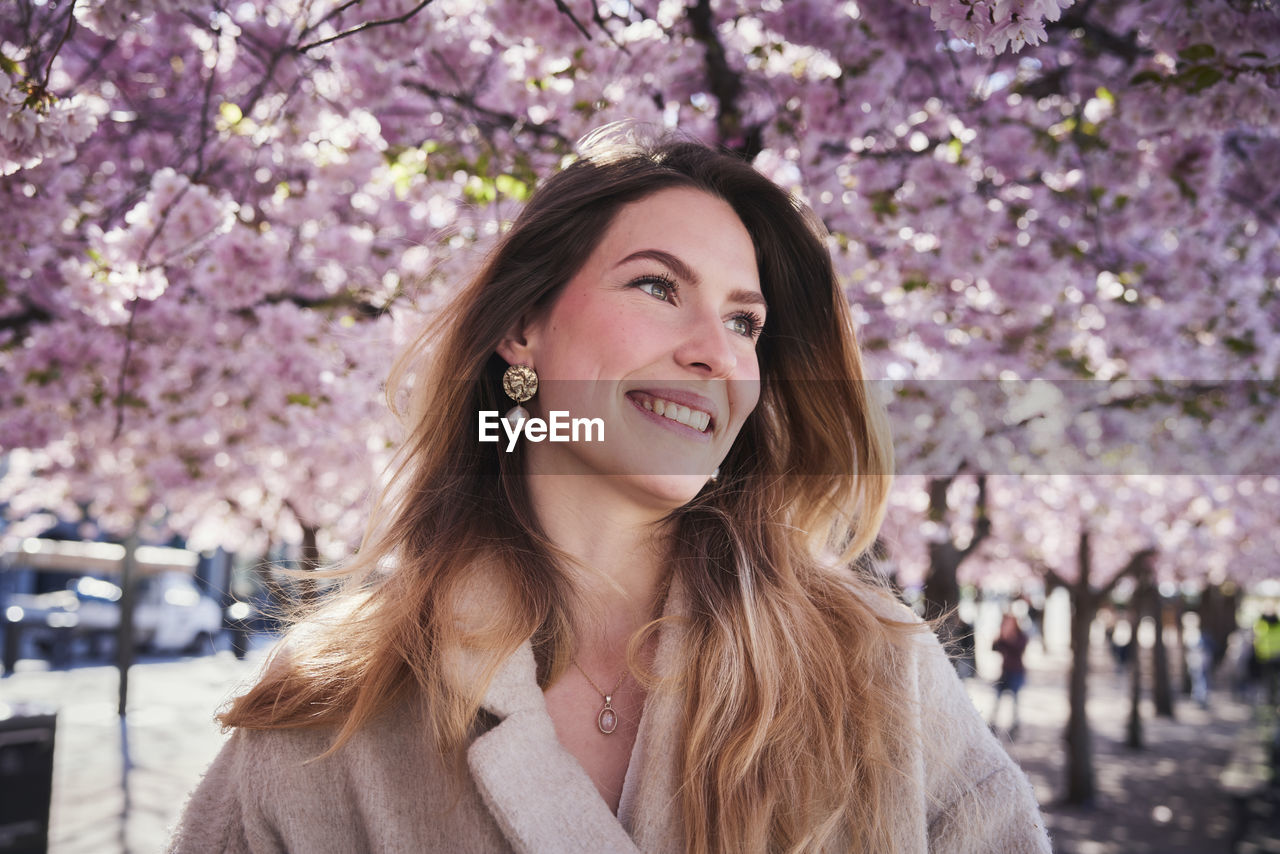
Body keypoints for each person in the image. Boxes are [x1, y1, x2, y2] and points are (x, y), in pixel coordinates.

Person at [167, 128, 1050, 853]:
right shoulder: (333, 710)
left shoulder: (873, 668)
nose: (715, 350)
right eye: (658, 286)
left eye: (746, 322)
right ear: (522, 328)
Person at [991, 612, 1031, 740]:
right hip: (1004, 672)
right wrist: (1000, 636)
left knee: (1015, 701)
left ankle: (1015, 726)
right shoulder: (1003, 636)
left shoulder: (1021, 637)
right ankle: (993, 724)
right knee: (997, 699)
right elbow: (994, 648)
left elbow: (1018, 649)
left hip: (1016, 672)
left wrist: (1008, 637)